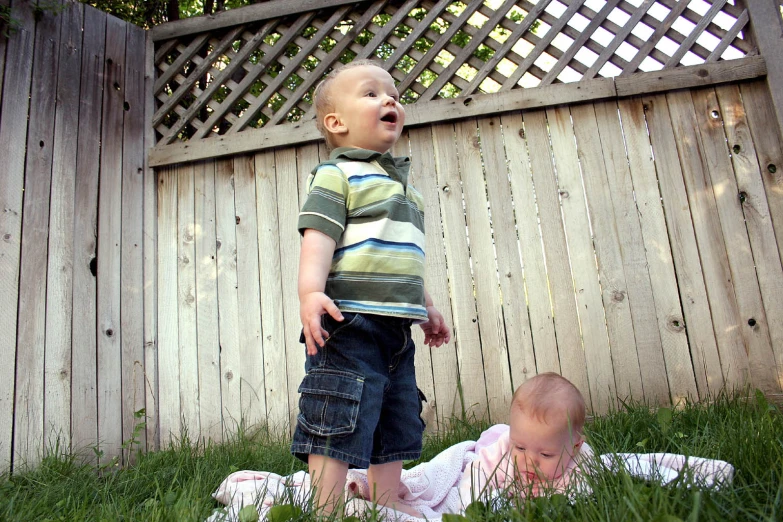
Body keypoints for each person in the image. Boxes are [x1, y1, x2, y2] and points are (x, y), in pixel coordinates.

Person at [291, 59, 452, 518]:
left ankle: (387, 506)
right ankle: (326, 508)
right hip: (348, 323)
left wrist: (426, 306)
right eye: (371, 93)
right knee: (335, 412)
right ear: (335, 123)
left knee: (396, 415)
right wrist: (309, 293)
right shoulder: (336, 175)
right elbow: (318, 238)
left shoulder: (406, 190)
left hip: (397, 331)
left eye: (394, 94)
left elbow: (401, 261)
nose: (389, 100)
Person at [459, 372, 592, 505]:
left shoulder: (578, 469)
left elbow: (576, 502)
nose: (530, 461)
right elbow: (477, 473)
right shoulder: (504, 450)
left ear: (575, 447)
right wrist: (477, 505)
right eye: (520, 448)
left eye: (546, 454)